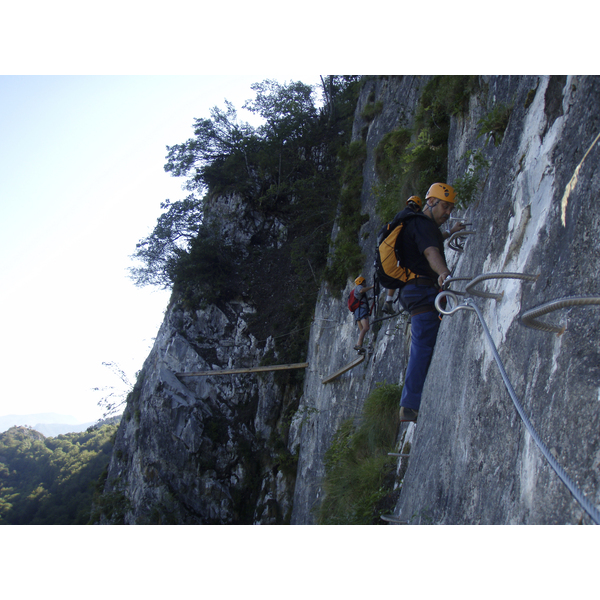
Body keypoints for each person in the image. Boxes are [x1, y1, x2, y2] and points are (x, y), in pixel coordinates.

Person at [398, 183, 465, 423]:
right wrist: (445, 274)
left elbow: (431, 243)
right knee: (424, 344)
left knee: (424, 341)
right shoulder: (421, 224)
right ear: (431, 203)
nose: (448, 212)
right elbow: (430, 252)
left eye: (450, 208)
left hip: (415, 290)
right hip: (421, 291)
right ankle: (410, 405)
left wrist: (450, 232)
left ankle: (410, 402)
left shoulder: (419, 225)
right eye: (445, 206)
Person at [382, 196, 423, 315]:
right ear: (418, 208)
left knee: (397, 274)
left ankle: (388, 301)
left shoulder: (399, 215)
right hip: (405, 250)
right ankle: (413, 304)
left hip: (393, 251)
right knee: (409, 274)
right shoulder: (412, 216)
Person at [352, 276, 373, 352]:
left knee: (362, 331)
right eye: (364, 282)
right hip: (361, 311)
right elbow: (361, 291)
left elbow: (361, 298)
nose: (365, 283)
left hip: (357, 312)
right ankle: (358, 345)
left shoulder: (356, 290)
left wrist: (369, 298)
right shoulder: (359, 287)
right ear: (361, 282)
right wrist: (371, 287)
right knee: (366, 328)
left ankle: (359, 349)